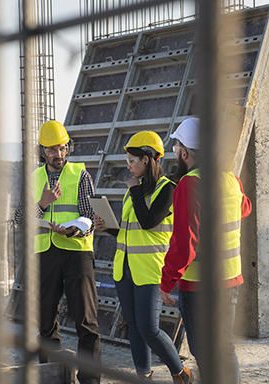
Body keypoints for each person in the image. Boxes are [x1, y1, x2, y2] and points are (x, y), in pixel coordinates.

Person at [94, 131, 194, 384]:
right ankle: (144, 377)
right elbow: (131, 230)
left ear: (147, 159)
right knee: (135, 327)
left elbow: (149, 222)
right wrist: (108, 227)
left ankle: (180, 372)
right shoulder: (134, 189)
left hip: (150, 269)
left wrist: (135, 191)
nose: (128, 166)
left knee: (149, 329)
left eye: (132, 161)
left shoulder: (168, 188)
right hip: (124, 268)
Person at [159, 118, 252, 384]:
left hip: (199, 284)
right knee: (225, 347)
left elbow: (184, 243)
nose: (176, 152)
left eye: (177, 147)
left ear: (184, 153)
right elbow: (245, 208)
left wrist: (167, 282)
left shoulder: (190, 184)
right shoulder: (231, 180)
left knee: (204, 351)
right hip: (230, 278)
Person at [13, 120, 101, 384]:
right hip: (44, 255)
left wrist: (75, 230)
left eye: (62, 148)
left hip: (77, 253)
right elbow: (19, 219)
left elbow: (90, 216)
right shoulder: (33, 179)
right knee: (45, 322)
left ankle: (89, 380)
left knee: (86, 322)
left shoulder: (80, 175)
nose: (58, 154)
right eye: (52, 150)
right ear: (42, 151)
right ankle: (52, 377)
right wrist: (42, 203)